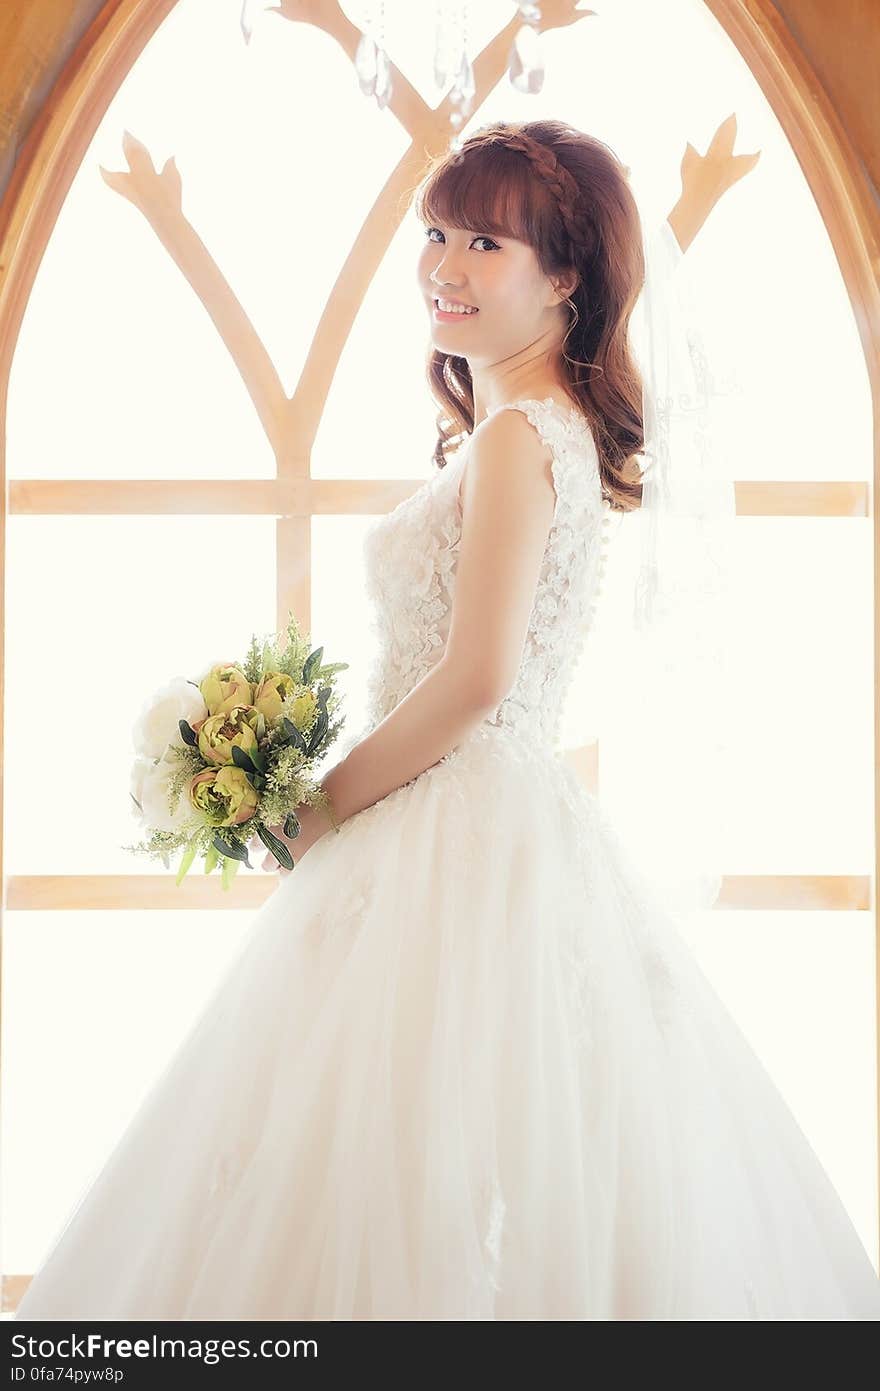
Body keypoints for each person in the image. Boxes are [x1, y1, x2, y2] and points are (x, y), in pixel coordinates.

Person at [16, 119, 880, 1321]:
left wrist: (318, 806)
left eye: (485, 241)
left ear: (565, 278)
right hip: (485, 820)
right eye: (435, 233)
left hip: (462, 819)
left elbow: (476, 678)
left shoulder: (526, 438)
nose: (444, 266)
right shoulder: (523, 433)